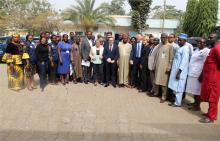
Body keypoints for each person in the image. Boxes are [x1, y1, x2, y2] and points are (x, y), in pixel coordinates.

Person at [199, 33, 220, 123]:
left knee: (213, 98)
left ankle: (211, 117)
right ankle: (211, 114)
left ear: (216, 39)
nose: (208, 38)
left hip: (214, 79)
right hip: (210, 77)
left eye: (211, 38)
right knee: (210, 96)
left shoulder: (217, 48)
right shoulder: (214, 48)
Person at [185, 38, 210, 111]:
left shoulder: (206, 51)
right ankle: (195, 102)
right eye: (198, 42)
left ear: (205, 44)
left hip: (198, 74)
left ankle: (197, 106)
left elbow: (206, 64)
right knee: (193, 90)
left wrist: (202, 75)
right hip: (192, 73)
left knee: (197, 91)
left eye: (201, 42)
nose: (199, 43)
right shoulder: (197, 50)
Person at [168, 33, 190, 107]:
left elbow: (184, 61)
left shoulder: (185, 49)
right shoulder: (180, 48)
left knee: (179, 88)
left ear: (185, 41)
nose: (179, 41)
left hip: (180, 72)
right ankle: (175, 101)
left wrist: (179, 72)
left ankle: (178, 103)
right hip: (176, 71)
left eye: (181, 40)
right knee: (175, 87)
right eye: (178, 40)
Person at [153, 33, 173, 103]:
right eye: (162, 37)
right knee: (157, 80)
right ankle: (156, 93)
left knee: (164, 83)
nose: (163, 38)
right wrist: (154, 65)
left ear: (167, 38)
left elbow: (171, 59)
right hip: (158, 66)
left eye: (164, 37)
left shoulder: (170, 46)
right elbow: (156, 56)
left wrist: (169, 67)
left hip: (165, 68)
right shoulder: (159, 45)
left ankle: (164, 97)